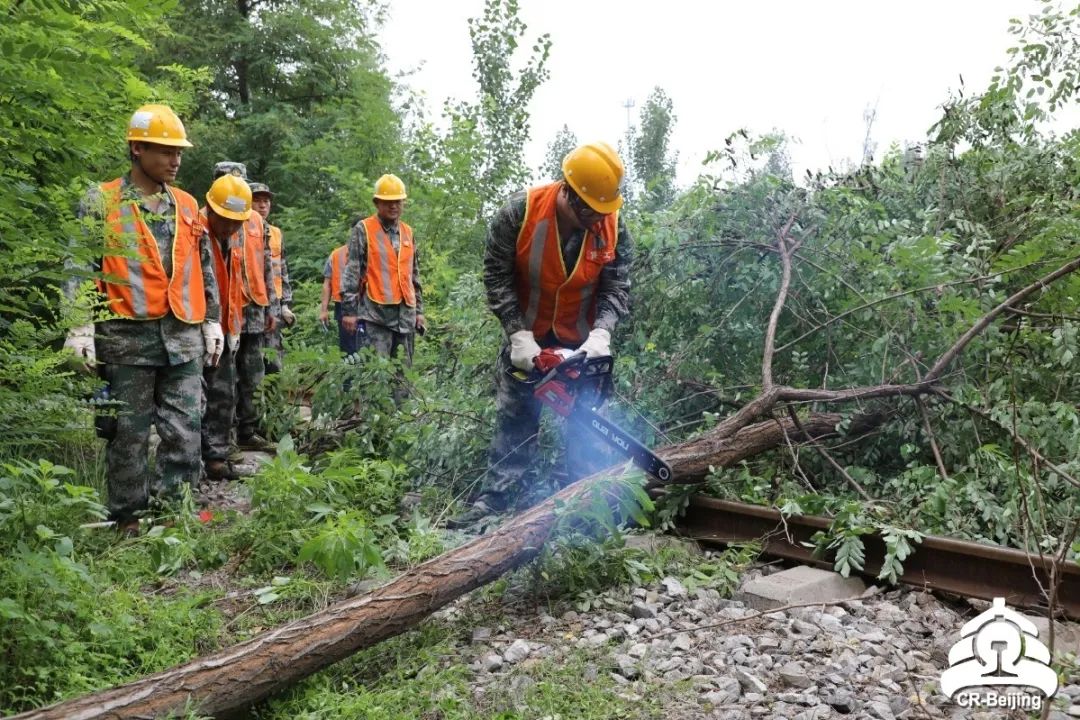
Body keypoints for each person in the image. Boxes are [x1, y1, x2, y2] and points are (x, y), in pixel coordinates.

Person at [450, 142, 633, 527]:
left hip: (582, 341)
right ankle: (497, 503)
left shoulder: (612, 225)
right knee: (516, 416)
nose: (597, 219)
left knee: (586, 424)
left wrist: (601, 334)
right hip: (528, 333)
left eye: (603, 211)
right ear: (569, 191)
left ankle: (586, 503)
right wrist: (518, 335)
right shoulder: (521, 212)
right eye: (591, 211)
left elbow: (617, 287)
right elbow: (495, 275)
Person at [63, 104, 223, 535]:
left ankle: (176, 511)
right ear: (137, 149)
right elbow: (79, 265)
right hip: (125, 338)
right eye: (165, 152)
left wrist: (212, 321)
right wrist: (79, 327)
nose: (175, 161)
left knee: (185, 429)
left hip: (183, 335)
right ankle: (127, 516)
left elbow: (204, 267)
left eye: (179, 153)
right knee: (127, 434)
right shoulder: (102, 200)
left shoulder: (188, 205)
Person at [211, 162, 280, 451]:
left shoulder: (257, 222)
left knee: (254, 374)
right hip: (224, 310)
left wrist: (272, 307)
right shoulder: (207, 217)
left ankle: (248, 430)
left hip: (254, 310)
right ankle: (219, 437)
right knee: (221, 378)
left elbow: (268, 266)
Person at [199, 175, 260, 480]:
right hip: (193, 326)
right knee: (195, 398)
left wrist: (233, 326)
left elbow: (234, 284)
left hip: (224, 327)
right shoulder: (194, 229)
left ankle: (217, 459)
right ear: (210, 209)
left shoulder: (235, 237)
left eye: (237, 222)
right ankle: (190, 461)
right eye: (224, 220)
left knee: (224, 392)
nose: (230, 228)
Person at [340, 174, 425, 365]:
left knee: (403, 379)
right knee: (375, 376)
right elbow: (352, 272)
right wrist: (349, 311)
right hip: (375, 316)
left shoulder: (407, 232)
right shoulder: (363, 230)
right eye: (388, 202)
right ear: (377, 203)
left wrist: (419, 311)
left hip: (405, 317)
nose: (393, 206)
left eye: (397, 201)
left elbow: (414, 274)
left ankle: (402, 397)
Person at [250, 181, 294, 373]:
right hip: (251, 303)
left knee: (274, 359)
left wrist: (285, 304)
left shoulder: (276, 233)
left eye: (266, 201)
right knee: (252, 358)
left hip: (274, 303)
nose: (263, 205)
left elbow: (282, 268)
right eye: (258, 201)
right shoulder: (241, 229)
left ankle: (274, 401)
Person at [320, 244, 360, 355]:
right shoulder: (336, 255)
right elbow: (327, 284)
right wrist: (324, 310)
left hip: (369, 306)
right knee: (348, 348)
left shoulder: (375, 251)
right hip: (343, 307)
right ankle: (349, 371)